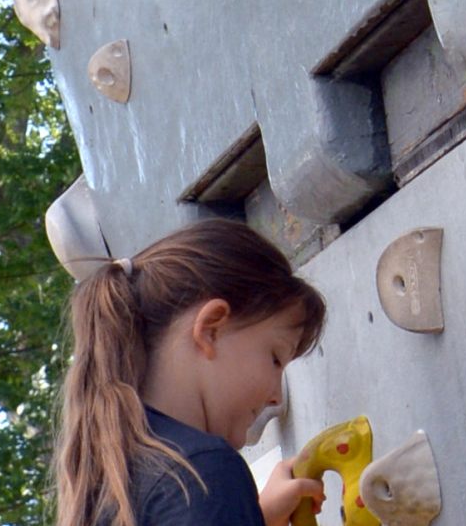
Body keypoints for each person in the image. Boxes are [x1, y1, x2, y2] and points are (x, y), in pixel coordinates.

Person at [53, 219, 328, 526]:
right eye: (276, 358)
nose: (276, 397)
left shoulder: (113, 483)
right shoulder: (202, 473)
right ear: (211, 329)